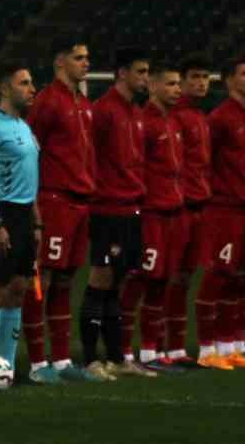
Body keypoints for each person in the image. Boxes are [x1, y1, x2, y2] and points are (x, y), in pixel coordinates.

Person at [22, 37, 103, 384]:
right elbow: (29, 149)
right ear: (60, 62)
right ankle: (38, 363)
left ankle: (61, 359)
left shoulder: (85, 104)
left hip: (81, 203)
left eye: (87, 57)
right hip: (54, 200)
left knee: (66, 281)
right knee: (44, 280)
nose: (86, 62)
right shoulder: (47, 102)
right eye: (79, 57)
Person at [197, 55, 245, 370]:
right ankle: (205, 349)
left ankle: (232, 346)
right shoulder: (220, 118)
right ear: (228, 81)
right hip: (226, 209)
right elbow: (205, 161)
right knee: (218, 277)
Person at [86, 48, 153, 377]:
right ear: (122, 73)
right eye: (140, 71)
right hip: (108, 209)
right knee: (101, 280)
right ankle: (89, 359)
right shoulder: (104, 110)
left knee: (117, 284)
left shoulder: (137, 112)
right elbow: (89, 155)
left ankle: (116, 357)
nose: (145, 78)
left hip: (131, 209)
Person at [0, 62, 39, 368]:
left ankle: (9, 366)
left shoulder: (24, 126)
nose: (32, 89)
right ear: (4, 88)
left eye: (31, 83)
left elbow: (32, 175)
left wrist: (37, 220)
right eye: (24, 83)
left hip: (26, 214)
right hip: (5, 214)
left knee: (18, 290)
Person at [134, 63, 189, 371]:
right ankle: (132, 352)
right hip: (151, 214)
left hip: (172, 214)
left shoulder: (173, 122)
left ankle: (153, 350)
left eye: (177, 83)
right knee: (142, 281)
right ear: (153, 87)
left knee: (162, 283)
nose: (177, 89)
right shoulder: (146, 123)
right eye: (170, 83)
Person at [166, 56, 214, 367]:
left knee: (183, 278)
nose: (201, 83)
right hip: (178, 208)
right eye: (194, 76)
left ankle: (176, 347)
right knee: (166, 280)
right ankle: (158, 348)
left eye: (205, 77)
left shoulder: (199, 116)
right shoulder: (177, 116)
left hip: (198, 207)